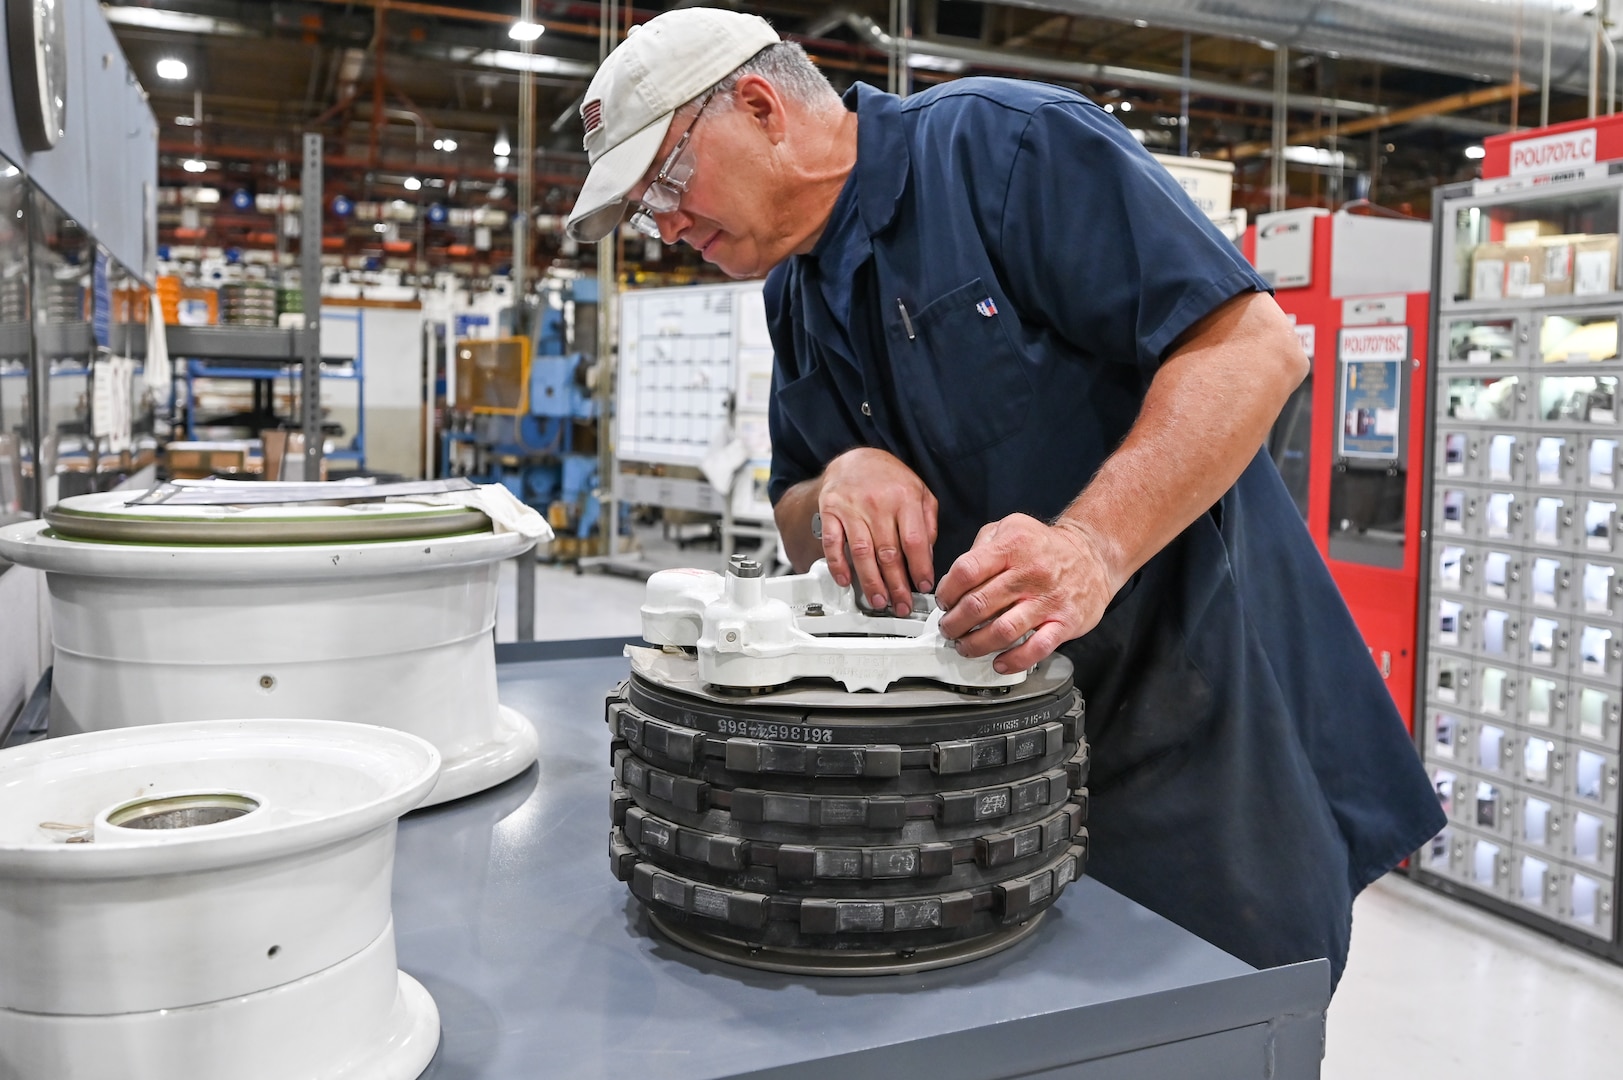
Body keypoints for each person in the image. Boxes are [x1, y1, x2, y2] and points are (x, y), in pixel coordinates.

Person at [567, 7, 1445, 989]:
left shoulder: (1004, 149)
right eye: (648, 211)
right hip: (995, 771)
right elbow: (794, 511)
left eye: (670, 185)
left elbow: (1252, 348)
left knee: (1211, 1027)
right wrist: (842, 479)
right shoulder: (794, 292)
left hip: (1198, 737)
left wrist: (1092, 547)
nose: (670, 226)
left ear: (762, 107)